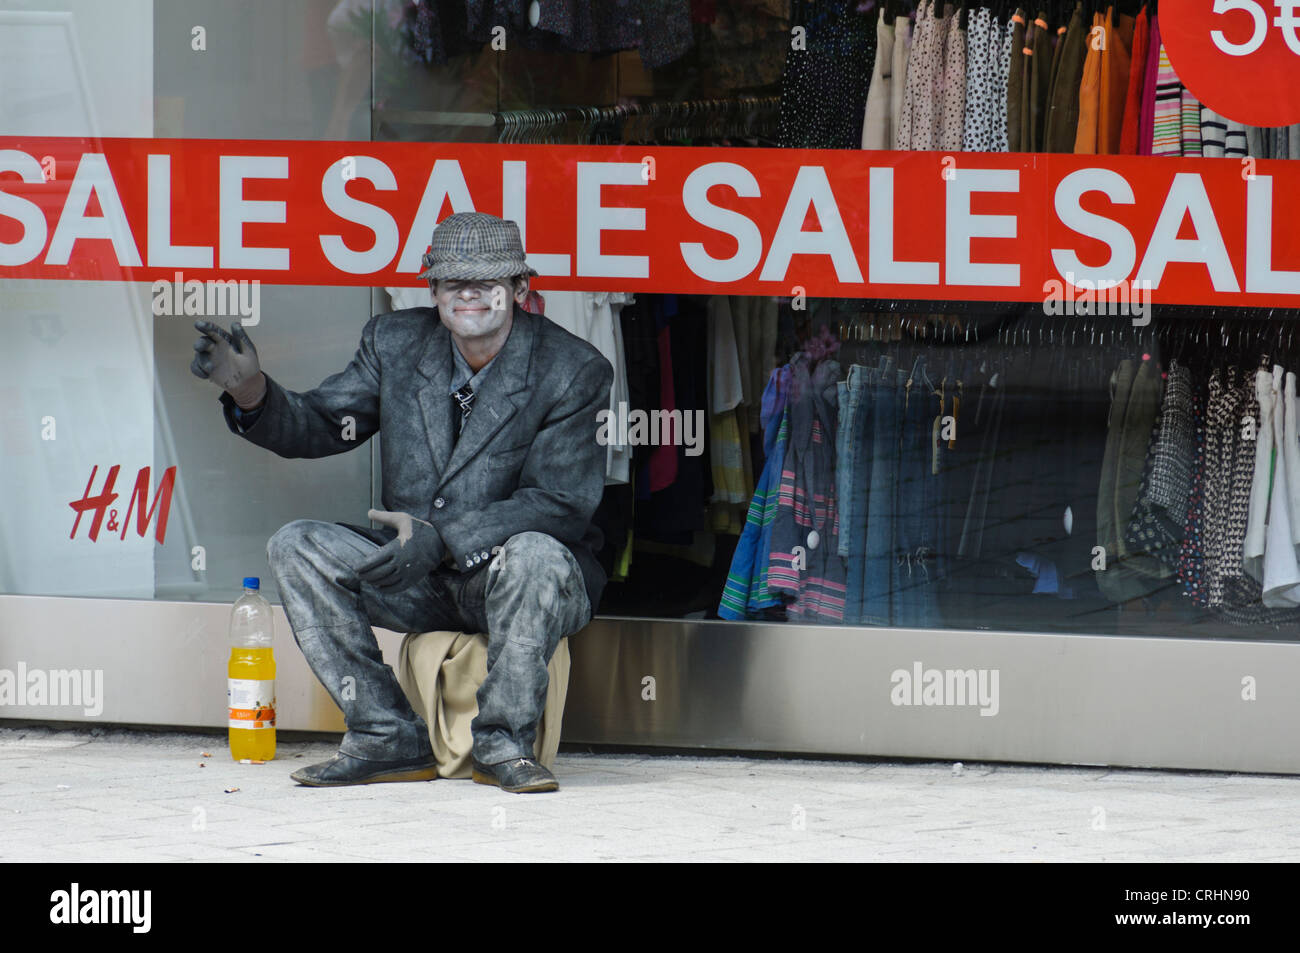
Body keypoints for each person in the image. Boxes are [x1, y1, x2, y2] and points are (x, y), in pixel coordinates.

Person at [190, 212, 613, 794]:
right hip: (418, 576)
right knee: (297, 546)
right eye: (451, 281)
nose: (467, 293)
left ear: (520, 289)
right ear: (431, 289)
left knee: (536, 553)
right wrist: (251, 391)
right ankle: (384, 735)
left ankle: (504, 745)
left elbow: (560, 503)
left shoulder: (574, 368)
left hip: (516, 581)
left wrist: (444, 539)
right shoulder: (394, 341)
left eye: (487, 281)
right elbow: (322, 425)